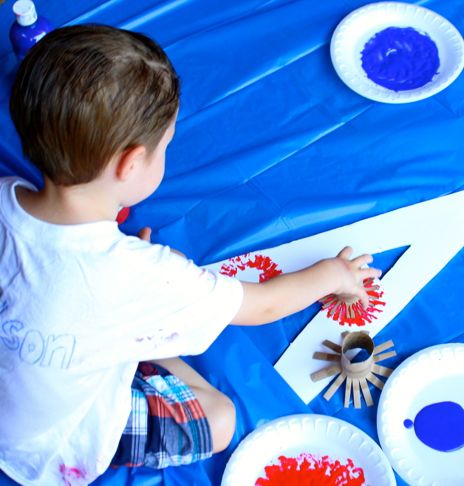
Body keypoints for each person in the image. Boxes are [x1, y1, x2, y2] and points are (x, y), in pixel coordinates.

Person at [0, 25, 381, 485]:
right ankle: (144, 343)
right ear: (130, 164)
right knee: (220, 417)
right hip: (55, 451)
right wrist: (331, 273)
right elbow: (264, 305)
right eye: (167, 145)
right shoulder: (141, 275)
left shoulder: (5, 197)